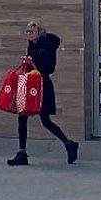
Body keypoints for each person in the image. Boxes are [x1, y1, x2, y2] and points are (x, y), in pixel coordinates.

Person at [7, 21, 79, 166]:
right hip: (30, 84)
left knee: (45, 120)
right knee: (22, 117)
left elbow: (49, 68)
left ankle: (68, 143)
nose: (29, 34)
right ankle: (22, 152)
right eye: (27, 32)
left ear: (39, 32)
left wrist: (35, 65)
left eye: (32, 32)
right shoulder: (32, 45)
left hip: (42, 86)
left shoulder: (47, 46)